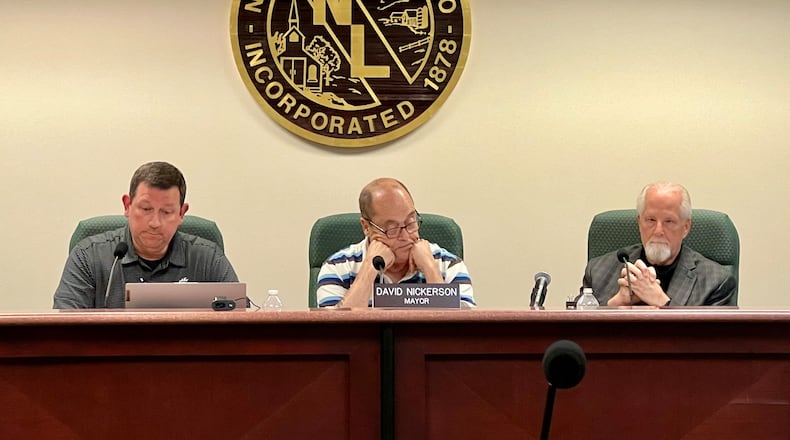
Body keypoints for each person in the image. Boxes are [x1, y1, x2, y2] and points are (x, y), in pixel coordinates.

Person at [54, 161, 238, 308]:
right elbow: (65, 332)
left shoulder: (208, 258)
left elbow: (239, 323)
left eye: (166, 212)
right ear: (127, 205)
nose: (155, 223)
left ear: (182, 213)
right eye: (146, 208)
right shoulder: (88, 257)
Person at [316, 178, 475, 308]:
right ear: (366, 227)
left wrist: (430, 269)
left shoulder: (448, 265)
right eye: (392, 229)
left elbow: (460, 336)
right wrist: (369, 269)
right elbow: (338, 336)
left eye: (411, 222)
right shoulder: (337, 267)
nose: (406, 236)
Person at [582, 182, 736, 307]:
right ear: (639, 223)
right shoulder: (598, 271)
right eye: (650, 220)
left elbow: (713, 342)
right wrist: (614, 304)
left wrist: (662, 302)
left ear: (686, 227)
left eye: (669, 221)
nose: (658, 231)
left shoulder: (716, 281)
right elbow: (576, 332)